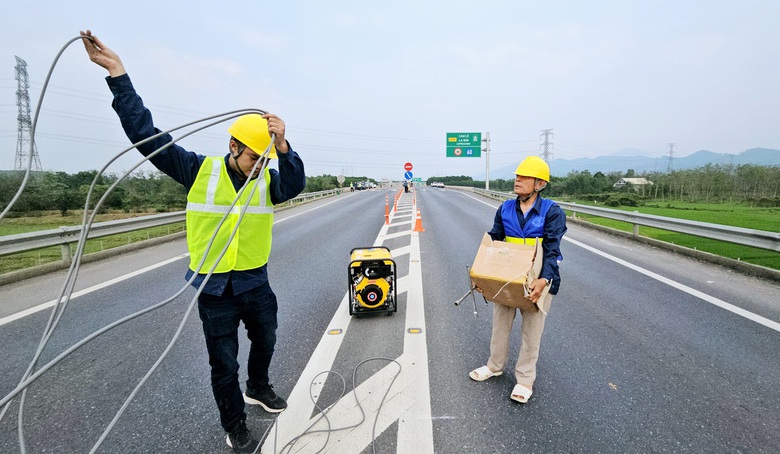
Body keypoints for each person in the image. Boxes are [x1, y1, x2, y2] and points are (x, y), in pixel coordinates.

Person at [81, 30, 306, 453]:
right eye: (252, 157)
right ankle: (235, 423)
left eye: (264, 160)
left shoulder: (267, 181)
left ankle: (258, 387)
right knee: (223, 362)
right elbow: (146, 136)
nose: (258, 166)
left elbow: (293, 184)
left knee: (268, 339)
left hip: (255, 281)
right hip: (214, 288)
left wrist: (282, 144)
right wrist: (117, 74)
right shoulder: (197, 171)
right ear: (234, 146)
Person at [469, 156, 566, 404]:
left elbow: (553, 250)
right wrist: (480, 275)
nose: (518, 180)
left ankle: (524, 380)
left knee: (531, 334)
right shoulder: (505, 209)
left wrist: (544, 280)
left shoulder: (551, 212)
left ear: (539, 184)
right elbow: (494, 241)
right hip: (507, 279)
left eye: (524, 177)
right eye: (517, 176)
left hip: (537, 281)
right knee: (500, 326)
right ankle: (495, 366)